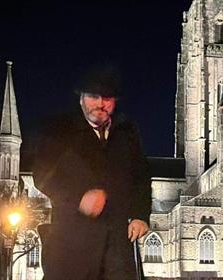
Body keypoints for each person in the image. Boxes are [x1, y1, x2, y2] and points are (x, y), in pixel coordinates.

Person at [33, 66, 151, 280]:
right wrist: (79, 198)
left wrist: (140, 215)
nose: (100, 104)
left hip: (116, 244)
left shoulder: (127, 131)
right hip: (73, 239)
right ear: (81, 99)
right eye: (93, 96)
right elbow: (43, 176)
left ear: (114, 101)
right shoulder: (59, 130)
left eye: (106, 98)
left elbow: (141, 176)